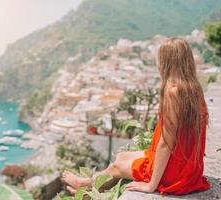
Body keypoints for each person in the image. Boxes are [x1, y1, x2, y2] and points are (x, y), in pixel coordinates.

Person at [61, 37, 210, 195]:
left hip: (175, 172)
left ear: (166, 62)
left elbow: (166, 143)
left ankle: (85, 186)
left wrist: (152, 185)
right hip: (188, 166)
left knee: (117, 167)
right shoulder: (194, 88)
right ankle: (88, 192)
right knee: (121, 156)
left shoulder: (174, 92)